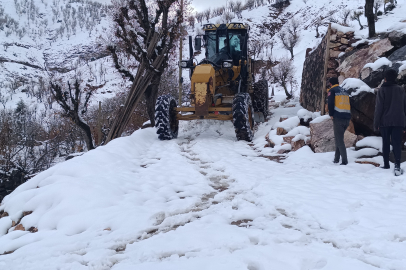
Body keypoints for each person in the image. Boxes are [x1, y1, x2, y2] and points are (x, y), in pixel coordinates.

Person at [374, 69, 406, 176]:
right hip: (398, 121)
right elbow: (404, 107)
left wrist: (376, 123)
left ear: (385, 78)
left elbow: (379, 109)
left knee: (386, 142)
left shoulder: (382, 90)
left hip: (385, 121)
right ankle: (397, 164)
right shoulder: (401, 90)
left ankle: (386, 164)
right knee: (397, 143)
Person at [327, 77, 351, 165]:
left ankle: (344, 160)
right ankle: (336, 158)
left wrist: (331, 114)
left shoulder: (332, 91)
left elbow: (330, 103)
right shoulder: (345, 91)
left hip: (338, 117)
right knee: (338, 138)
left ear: (330, 84)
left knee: (339, 140)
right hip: (347, 117)